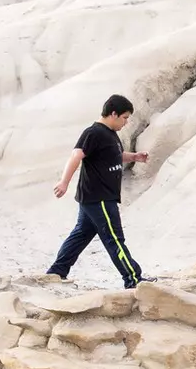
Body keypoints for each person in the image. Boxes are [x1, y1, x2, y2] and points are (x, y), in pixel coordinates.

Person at [47, 94, 152, 287]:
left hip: (94, 198)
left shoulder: (109, 133)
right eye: (125, 117)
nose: (126, 122)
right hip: (100, 198)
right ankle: (133, 279)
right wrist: (64, 182)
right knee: (115, 239)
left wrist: (134, 157)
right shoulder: (93, 132)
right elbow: (76, 155)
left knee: (80, 235)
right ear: (114, 114)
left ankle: (56, 272)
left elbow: (114, 155)